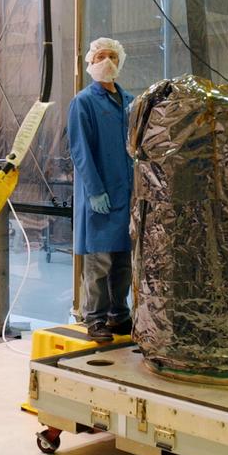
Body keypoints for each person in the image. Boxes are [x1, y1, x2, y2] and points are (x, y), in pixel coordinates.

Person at [67, 37, 134, 344]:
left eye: (111, 56)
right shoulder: (83, 102)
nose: (106, 61)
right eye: (100, 57)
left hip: (126, 194)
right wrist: (94, 191)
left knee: (123, 262)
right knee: (99, 263)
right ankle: (94, 319)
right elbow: (80, 150)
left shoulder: (130, 101)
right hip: (100, 195)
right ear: (90, 63)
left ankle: (119, 316)